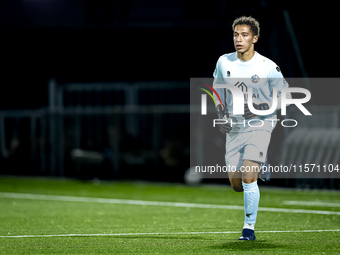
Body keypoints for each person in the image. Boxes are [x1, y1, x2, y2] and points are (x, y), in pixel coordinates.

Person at [212, 16, 291, 241]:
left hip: (261, 123)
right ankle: (261, 162)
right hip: (235, 127)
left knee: (248, 177)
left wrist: (258, 109)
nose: (239, 39)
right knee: (236, 184)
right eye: (236, 35)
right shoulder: (224, 62)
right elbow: (216, 88)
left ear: (254, 38)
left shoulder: (268, 67)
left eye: (245, 35)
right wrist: (220, 112)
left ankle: (248, 229)